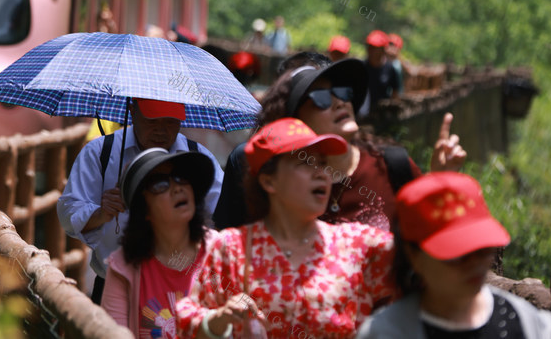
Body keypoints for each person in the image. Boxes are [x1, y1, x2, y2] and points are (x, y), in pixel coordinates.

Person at [177, 118, 397, 338]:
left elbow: (418, 261)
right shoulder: (232, 249)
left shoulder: (355, 244)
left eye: (322, 163)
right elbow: (187, 325)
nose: (321, 173)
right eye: (305, 163)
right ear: (269, 182)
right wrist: (219, 320)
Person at [213, 57, 467, 232]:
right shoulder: (272, 179)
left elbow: (427, 236)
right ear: (293, 120)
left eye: (344, 92)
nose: (340, 102)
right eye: (322, 98)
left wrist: (440, 181)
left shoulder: (391, 164)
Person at [57, 99, 224, 304]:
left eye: (171, 121)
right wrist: (99, 213)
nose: (161, 130)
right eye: (152, 120)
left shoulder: (197, 158)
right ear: (132, 110)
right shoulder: (101, 152)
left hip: (181, 289)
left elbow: (221, 211)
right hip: (114, 283)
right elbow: (68, 212)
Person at [358, 173, 551, 338]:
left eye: (483, 250)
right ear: (414, 256)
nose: (475, 263)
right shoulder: (384, 332)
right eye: (457, 254)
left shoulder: (524, 319)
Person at [103, 148, 220, 337]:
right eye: (160, 184)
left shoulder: (221, 250)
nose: (177, 188)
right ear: (144, 211)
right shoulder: (122, 268)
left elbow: (248, 313)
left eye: (181, 178)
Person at [362, 30, 401, 115]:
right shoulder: (362, 67)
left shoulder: (390, 68)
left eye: (374, 47)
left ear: (383, 50)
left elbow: (395, 93)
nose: (370, 50)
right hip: (363, 113)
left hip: (382, 114)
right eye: (369, 46)